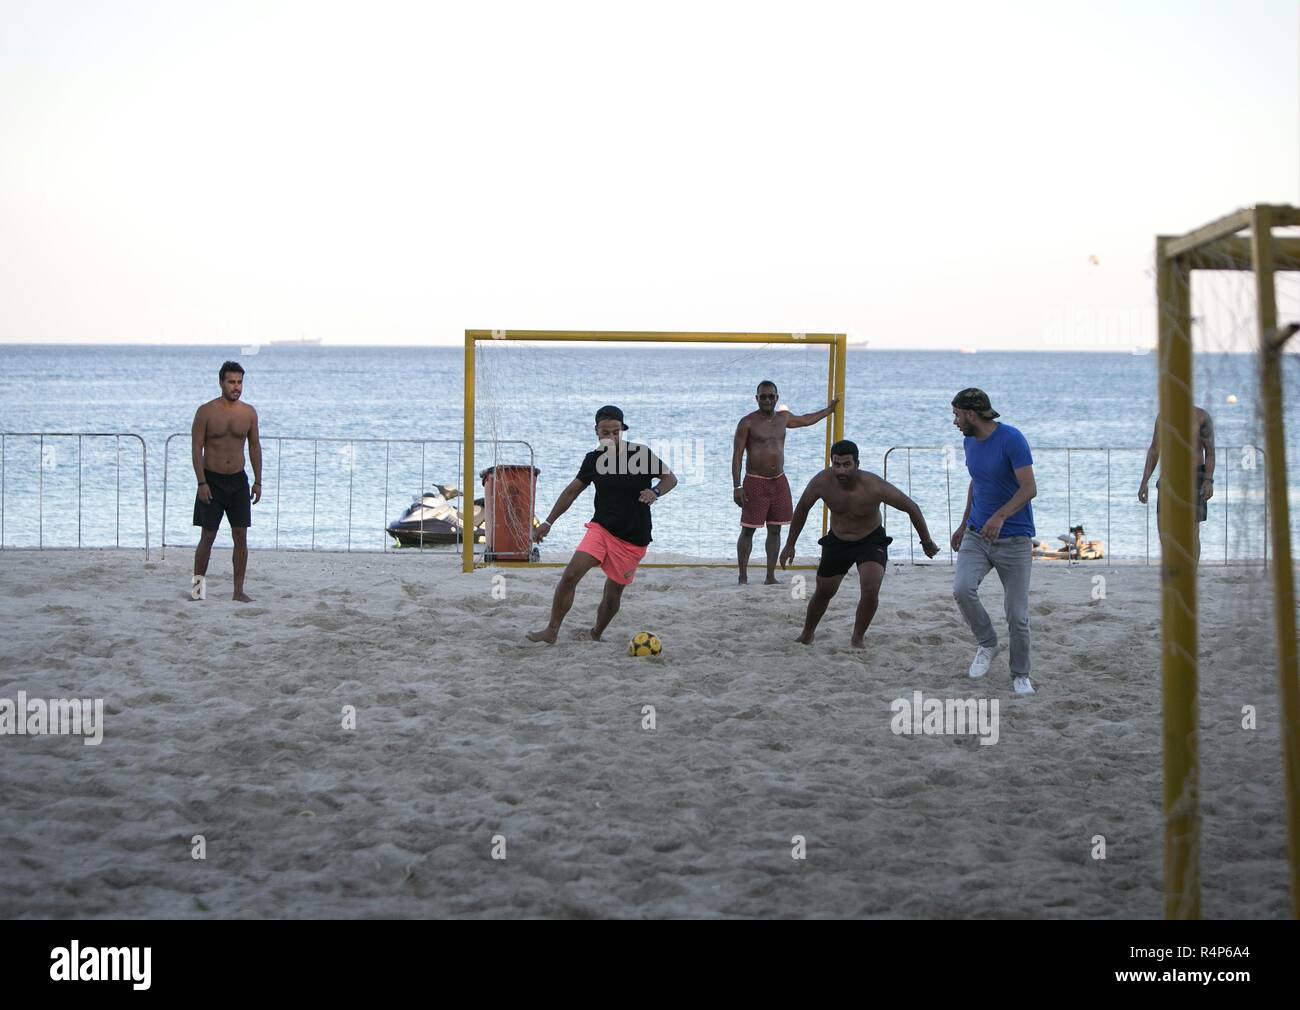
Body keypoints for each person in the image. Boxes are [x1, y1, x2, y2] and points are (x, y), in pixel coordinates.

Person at [527, 406, 677, 644]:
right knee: (570, 576)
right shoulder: (593, 460)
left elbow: (670, 478)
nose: (611, 437)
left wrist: (655, 491)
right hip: (601, 529)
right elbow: (571, 492)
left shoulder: (641, 454)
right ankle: (552, 631)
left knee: (612, 594)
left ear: (623, 430)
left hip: (633, 537)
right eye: (605, 432)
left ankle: (596, 633)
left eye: (616, 432)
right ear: (596, 432)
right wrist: (548, 521)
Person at [779, 440, 939, 648]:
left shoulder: (874, 485)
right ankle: (807, 633)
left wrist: (926, 542)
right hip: (838, 540)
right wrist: (790, 544)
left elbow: (911, 507)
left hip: (870, 540)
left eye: (846, 465)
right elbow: (802, 509)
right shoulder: (821, 482)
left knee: (871, 587)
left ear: (857, 464)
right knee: (824, 591)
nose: (841, 470)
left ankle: (858, 637)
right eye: (836, 464)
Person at [949, 388, 1037, 695]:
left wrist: (1000, 517)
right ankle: (987, 643)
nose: (955, 421)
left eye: (957, 415)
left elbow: (1029, 489)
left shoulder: (1012, 439)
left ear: (972, 415)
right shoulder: (969, 442)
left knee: (1017, 615)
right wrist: (963, 524)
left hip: (1014, 540)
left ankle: (1020, 674)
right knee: (961, 588)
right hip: (976, 535)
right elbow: (977, 482)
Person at [732, 380, 837, 584]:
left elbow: (806, 420)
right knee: (748, 529)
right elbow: (737, 455)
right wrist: (737, 486)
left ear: (777, 398)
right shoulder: (747, 422)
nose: (767, 400)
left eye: (771, 396)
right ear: (757, 398)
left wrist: (829, 410)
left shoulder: (783, 418)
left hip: (778, 481)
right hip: (755, 481)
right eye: (763, 396)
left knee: (776, 528)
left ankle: (770, 576)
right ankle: (743, 576)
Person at [192, 361, 262, 602]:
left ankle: (238, 591)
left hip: (239, 482)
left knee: (240, 535)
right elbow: (196, 448)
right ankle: (197, 590)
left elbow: (254, 446)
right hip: (212, 480)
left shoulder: (249, 413)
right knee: (208, 536)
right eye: (231, 382)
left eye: (239, 382)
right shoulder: (206, 411)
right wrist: (201, 483)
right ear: (221, 382)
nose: (236, 387)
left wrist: (258, 481)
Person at [1137, 406, 1215, 565]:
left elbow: (1210, 452)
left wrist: (1208, 480)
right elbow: (1154, 449)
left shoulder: (1201, 417)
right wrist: (1145, 481)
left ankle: (1191, 572)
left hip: (1195, 476)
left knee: (1192, 532)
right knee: (1163, 528)